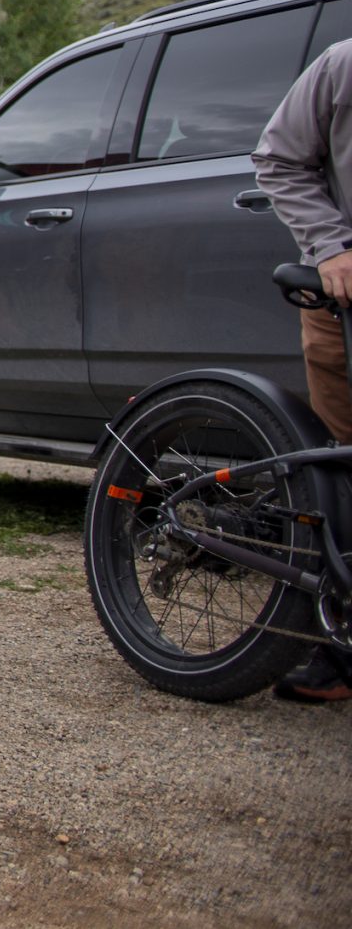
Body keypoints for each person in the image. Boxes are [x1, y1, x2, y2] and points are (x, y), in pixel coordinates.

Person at [250, 36, 352, 703]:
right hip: (344, 301)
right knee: (344, 468)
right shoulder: (343, 65)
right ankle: (340, 652)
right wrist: (332, 247)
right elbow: (279, 157)